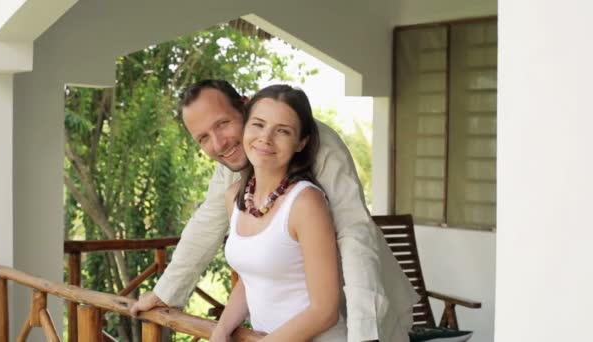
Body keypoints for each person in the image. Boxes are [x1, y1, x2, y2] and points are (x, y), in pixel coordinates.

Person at [130, 79, 419, 342]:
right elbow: (208, 224)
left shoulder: (320, 150)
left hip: (357, 306)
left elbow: (354, 233)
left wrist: (363, 332)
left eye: (222, 124)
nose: (218, 143)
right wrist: (165, 292)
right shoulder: (235, 175)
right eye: (203, 138)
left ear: (245, 106)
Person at [212, 84, 345, 341]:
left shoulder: (306, 202)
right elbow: (251, 278)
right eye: (258, 124)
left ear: (301, 143)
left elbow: (325, 311)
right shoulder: (236, 197)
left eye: (282, 131)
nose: (266, 138)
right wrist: (221, 329)